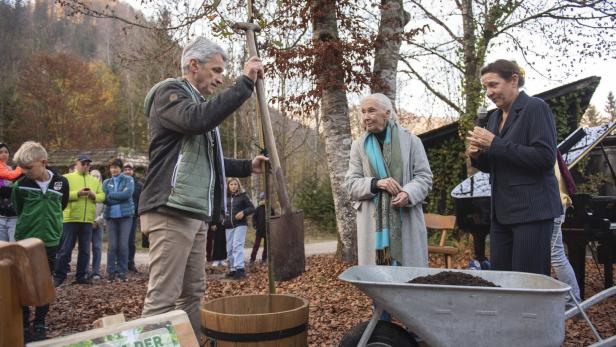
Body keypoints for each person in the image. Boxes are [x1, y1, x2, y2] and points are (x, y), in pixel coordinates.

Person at [139, 36, 267, 337]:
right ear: (193, 65)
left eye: (223, 72)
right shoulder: (169, 94)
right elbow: (198, 121)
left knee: (193, 293)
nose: (220, 79)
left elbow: (209, 159)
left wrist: (247, 166)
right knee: (162, 298)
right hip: (170, 209)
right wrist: (244, 83)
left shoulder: (195, 104)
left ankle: (191, 342)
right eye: (216, 70)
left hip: (193, 212)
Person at [466, 59, 561, 275]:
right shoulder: (494, 117)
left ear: (514, 80)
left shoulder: (535, 108)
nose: (488, 93)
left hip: (532, 212)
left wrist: (495, 144)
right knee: (502, 280)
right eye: (485, 87)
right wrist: (478, 156)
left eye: (493, 85)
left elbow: (545, 158)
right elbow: (497, 164)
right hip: (501, 213)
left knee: (528, 282)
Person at [345, 93, 433, 268]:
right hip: (373, 225)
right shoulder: (358, 145)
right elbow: (350, 184)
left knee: (409, 279)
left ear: (387, 113)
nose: (366, 117)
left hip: (406, 220)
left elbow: (424, 177)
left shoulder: (412, 141)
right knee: (379, 279)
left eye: (371, 111)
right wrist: (376, 183)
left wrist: (408, 193)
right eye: (363, 112)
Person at [11, 141, 69, 341]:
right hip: (25, 241)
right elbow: (19, 209)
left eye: (28, 168)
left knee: (44, 281)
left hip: (51, 241)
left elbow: (62, 205)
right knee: (23, 281)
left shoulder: (61, 183)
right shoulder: (21, 185)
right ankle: (24, 323)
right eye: (21, 168)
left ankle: (40, 322)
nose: (25, 171)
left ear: (43, 162)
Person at [54, 154, 105, 286]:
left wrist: (94, 195)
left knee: (85, 250)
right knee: (65, 249)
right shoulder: (67, 178)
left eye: (88, 164)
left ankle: (81, 276)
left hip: (87, 219)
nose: (86, 166)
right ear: (77, 164)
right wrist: (78, 194)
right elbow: (61, 195)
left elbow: (102, 196)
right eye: (83, 164)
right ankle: (59, 276)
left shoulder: (94, 180)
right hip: (70, 218)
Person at [552, 155, 581, 307]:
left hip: (555, 203)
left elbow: (555, 178)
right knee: (555, 254)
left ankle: (572, 301)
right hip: (555, 202)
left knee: (556, 255)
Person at [102, 158, 135, 282]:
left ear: (120, 168)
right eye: (111, 167)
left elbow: (127, 195)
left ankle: (122, 273)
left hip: (125, 217)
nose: (114, 169)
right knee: (112, 245)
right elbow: (105, 199)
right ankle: (111, 273)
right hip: (111, 217)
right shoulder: (106, 182)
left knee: (123, 245)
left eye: (116, 167)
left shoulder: (128, 179)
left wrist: (111, 195)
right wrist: (118, 196)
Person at [223, 178, 255, 279]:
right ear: (228, 186)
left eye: (235, 184)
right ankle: (233, 269)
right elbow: (220, 210)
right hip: (228, 226)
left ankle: (240, 269)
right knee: (229, 249)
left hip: (240, 225)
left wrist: (243, 212)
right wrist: (222, 219)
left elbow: (252, 208)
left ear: (238, 185)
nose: (233, 186)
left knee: (237, 245)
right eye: (231, 184)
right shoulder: (225, 198)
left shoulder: (243, 196)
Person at [123, 161, 143, 272]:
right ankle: (121, 263)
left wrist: (138, 213)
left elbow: (141, 200)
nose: (127, 171)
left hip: (132, 216)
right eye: (125, 169)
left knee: (131, 241)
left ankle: (130, 263)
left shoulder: (139, 185)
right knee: (121, 241)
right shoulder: (119, 183)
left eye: (129, 169)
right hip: (120, 215)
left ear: (132, 171)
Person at [0, 142, 22, 242]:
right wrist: (20, 167)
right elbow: (11, 176)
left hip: (13, 215)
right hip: (1, 216)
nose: (4, 154)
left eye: (6, 152)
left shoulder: (10, 168)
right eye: (0, 152)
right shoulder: (9, 170)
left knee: (13, 248)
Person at [89, 169, 105, 282]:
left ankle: (96, 272)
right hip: (86, 223)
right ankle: (84, 271)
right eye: (93, 176)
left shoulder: (103, 191)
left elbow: (106, 208)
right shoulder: (86, 189)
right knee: (84, 249)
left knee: (97, 248)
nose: (96, 178)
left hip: (98, 224)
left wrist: (98, 221)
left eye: (98, 176)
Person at [250, 192, 272, 265]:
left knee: (266, 246)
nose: (263, 200)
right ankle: (252, 259)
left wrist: (272, 226)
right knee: (256, 245)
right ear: (260, 199)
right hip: (259, 230)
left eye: (265, 199)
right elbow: (254, 218)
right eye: (262, 199)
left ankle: (264, 259)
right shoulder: (258, 209)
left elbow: (273, 218)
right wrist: (255, 225)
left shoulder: (270, 208)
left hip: (267, 230)